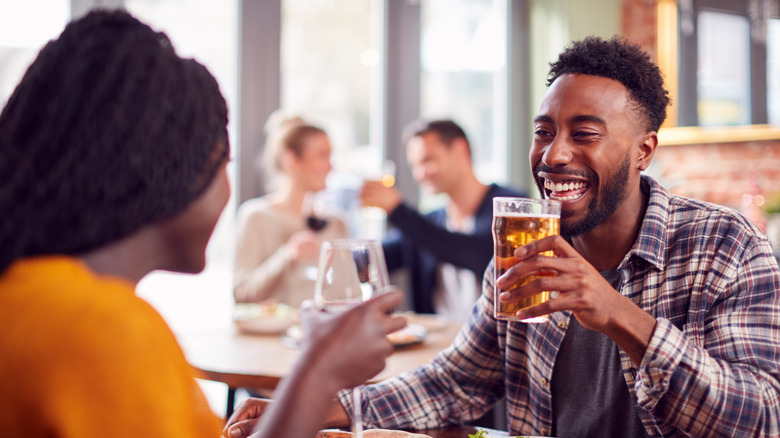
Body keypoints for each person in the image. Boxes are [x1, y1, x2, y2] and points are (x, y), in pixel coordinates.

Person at [227, 36, 780, 437]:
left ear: (643, 151)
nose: (554, 154)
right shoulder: (523, 251)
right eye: (544, 132)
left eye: (584, 133)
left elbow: (762, 418)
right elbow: (458, 380)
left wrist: (618, 315)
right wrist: (333, 407)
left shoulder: (724, 247)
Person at [0, 10, 406, 438]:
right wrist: (320, 371)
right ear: (170, 170)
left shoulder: (31, 299)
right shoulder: (100, 331)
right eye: (223, 162)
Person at [361, 119, 524, 321]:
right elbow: (373, 260)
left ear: (460, 150)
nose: (420, 174)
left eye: (428, 160)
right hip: (439, 344)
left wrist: (398, 211)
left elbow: (479, 254)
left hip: (494, 345)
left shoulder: (512, 206)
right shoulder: (430, 222)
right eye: (415, 166)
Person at [233, 115, 348, 307]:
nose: (331, 167)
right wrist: (286, 255)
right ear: (291, 160)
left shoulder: (336, 222)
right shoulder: (256, 217)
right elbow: (241, 294)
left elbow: (348, 296)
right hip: (273, 336)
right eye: (322, 155)